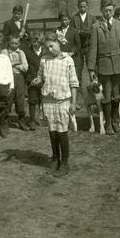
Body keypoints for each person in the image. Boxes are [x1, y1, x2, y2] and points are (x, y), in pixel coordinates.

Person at [31, 37, 78, 177]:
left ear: (59, 42)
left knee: (62, 131)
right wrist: (38, 80)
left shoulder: (68, 60)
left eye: (52, 46)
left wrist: (74, 103)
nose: (49, 49)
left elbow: (74, 83)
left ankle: (65, 163)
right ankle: (55, 159)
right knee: (52, 130)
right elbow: (40, 76)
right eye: (47, 47)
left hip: (62, 100)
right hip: (48, 100)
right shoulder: (44, 60)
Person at [88, 0, 120, 135]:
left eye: (110, 10)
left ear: (113, 10)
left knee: (117, 95)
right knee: (106, 95)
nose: (108, 13)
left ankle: (113, 120)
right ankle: (107, 123)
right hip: (104, 66)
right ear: (101, 10)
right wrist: (91, 68)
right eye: (105, 10)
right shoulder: (96, 27)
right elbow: (93, 48)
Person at [4, 35, 30, 131]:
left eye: (16, 43)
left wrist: (15, 65)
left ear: (19, 44)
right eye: (12, 43)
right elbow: (5, 65)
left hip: (19, 77)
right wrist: (16, 64)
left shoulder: (21, 52)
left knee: (20, 98)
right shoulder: (5, 52)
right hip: (8, 77)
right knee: (8, 98)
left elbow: (25, 67)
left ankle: (21, 120)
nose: (14, 45)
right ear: (8, 43)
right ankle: (5, 121)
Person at [72, 0, 96, 87]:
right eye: (81, 6)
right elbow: (72, 31)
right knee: (77, 70)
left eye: (84, 6)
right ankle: (78, 95)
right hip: (78, 48)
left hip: (89, 47)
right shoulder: (74, 18)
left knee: (92, 70)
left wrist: (86, 31)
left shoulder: (92, 18)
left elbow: (95, 30)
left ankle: (97, 95)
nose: (82, 8)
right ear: (78, 6)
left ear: (87, 6)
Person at [23, 30, 46, 128]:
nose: (35, 43)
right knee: (32, 100)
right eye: (33, 41)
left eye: (37, 41)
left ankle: (42, 118)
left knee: (43, 99)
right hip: (32, 80)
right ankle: (32, 120)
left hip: (43, 79)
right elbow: (26, 66)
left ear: (41, 41)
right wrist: (29, 78)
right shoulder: (27, 52)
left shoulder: (45, 51)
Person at [56, 11, 82, 86]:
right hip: (60, 58)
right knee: (62, 79)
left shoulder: (74, 31)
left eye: (66, 20)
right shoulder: (56, 30)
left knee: (74, 79)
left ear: (69, 20)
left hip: (72, 58)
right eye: (62, 20)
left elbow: (78, 45)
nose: (64, 22)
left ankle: (76, 95)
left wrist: (72, 52)